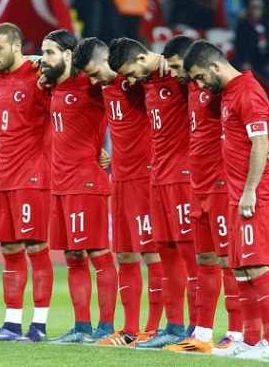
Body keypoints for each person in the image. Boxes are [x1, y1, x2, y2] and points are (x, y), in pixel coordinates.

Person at [184, 40, 269, 359]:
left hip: (255, 192)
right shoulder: (227, 94)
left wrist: (250, 190)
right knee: (239, 268)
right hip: (235, 192)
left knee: (256, 266)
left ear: (215, 66)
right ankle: (250, 340)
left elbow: (259, 144)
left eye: (200, 76)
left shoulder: (248, 92)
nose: (200, 85)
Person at [72, 37, 164, 347]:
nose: (95, 81)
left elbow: (166, 70)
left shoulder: (136, 81)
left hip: (145, 178)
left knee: (151, 252)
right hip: (120, 178)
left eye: (96, 73)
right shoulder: (105, 87)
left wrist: (163, 59)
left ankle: (152, 328)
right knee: (125, 254)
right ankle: (128, 330)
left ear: (107, 59)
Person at [108, 37, 197, 348]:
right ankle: (173, 328)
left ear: (142, 58)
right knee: (168, 251)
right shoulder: (146, 82)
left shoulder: (180, 74)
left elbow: (225, 82)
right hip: (158, 177)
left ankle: (198, 331)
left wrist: (266, 133)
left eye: (130, 73)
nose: (129, 82)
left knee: (191, 254)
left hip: (184, 177)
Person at [162, 35, 243, 353]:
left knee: (228, 260)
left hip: (221, 183)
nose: (177, 76)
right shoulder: (195, 85)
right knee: (205, 259)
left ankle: (236, 333)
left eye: (181, 69)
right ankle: (202, 335)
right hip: (197, 184)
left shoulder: (218, 86)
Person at [0, 23, 54, 343]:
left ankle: (39, 325)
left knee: (35, 247)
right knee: (8, 248)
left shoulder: (40, 75)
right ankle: (11, 324)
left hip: (33, 173)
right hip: (3, 174)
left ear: (17, 46)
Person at [40, 30, 118, 344]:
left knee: (98, 253)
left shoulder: (92, 84)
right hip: (59, 184)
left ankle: (106, 327)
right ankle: (81, 327)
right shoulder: (51, 86)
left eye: (48, 53)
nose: (42, 59)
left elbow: (127, 98)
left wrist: (114, 153)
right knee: (73, 255)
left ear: (70, 55)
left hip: (86, 182)